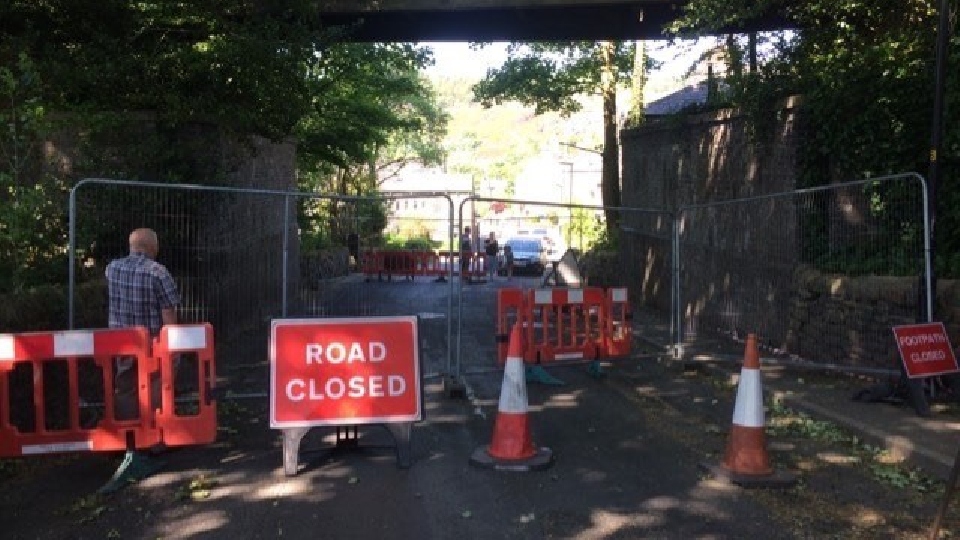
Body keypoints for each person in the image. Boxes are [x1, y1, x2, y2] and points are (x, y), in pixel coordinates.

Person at [99, 228, 180, 495]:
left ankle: (126, 439)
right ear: (153, 247)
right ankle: (151, 441)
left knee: (125, 388)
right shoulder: (158, 272)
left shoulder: (112, 269)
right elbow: (168, 311)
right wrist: (174, 344)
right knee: (157, 386)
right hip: (152, 343)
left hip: (121, 341)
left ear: (132, 245)